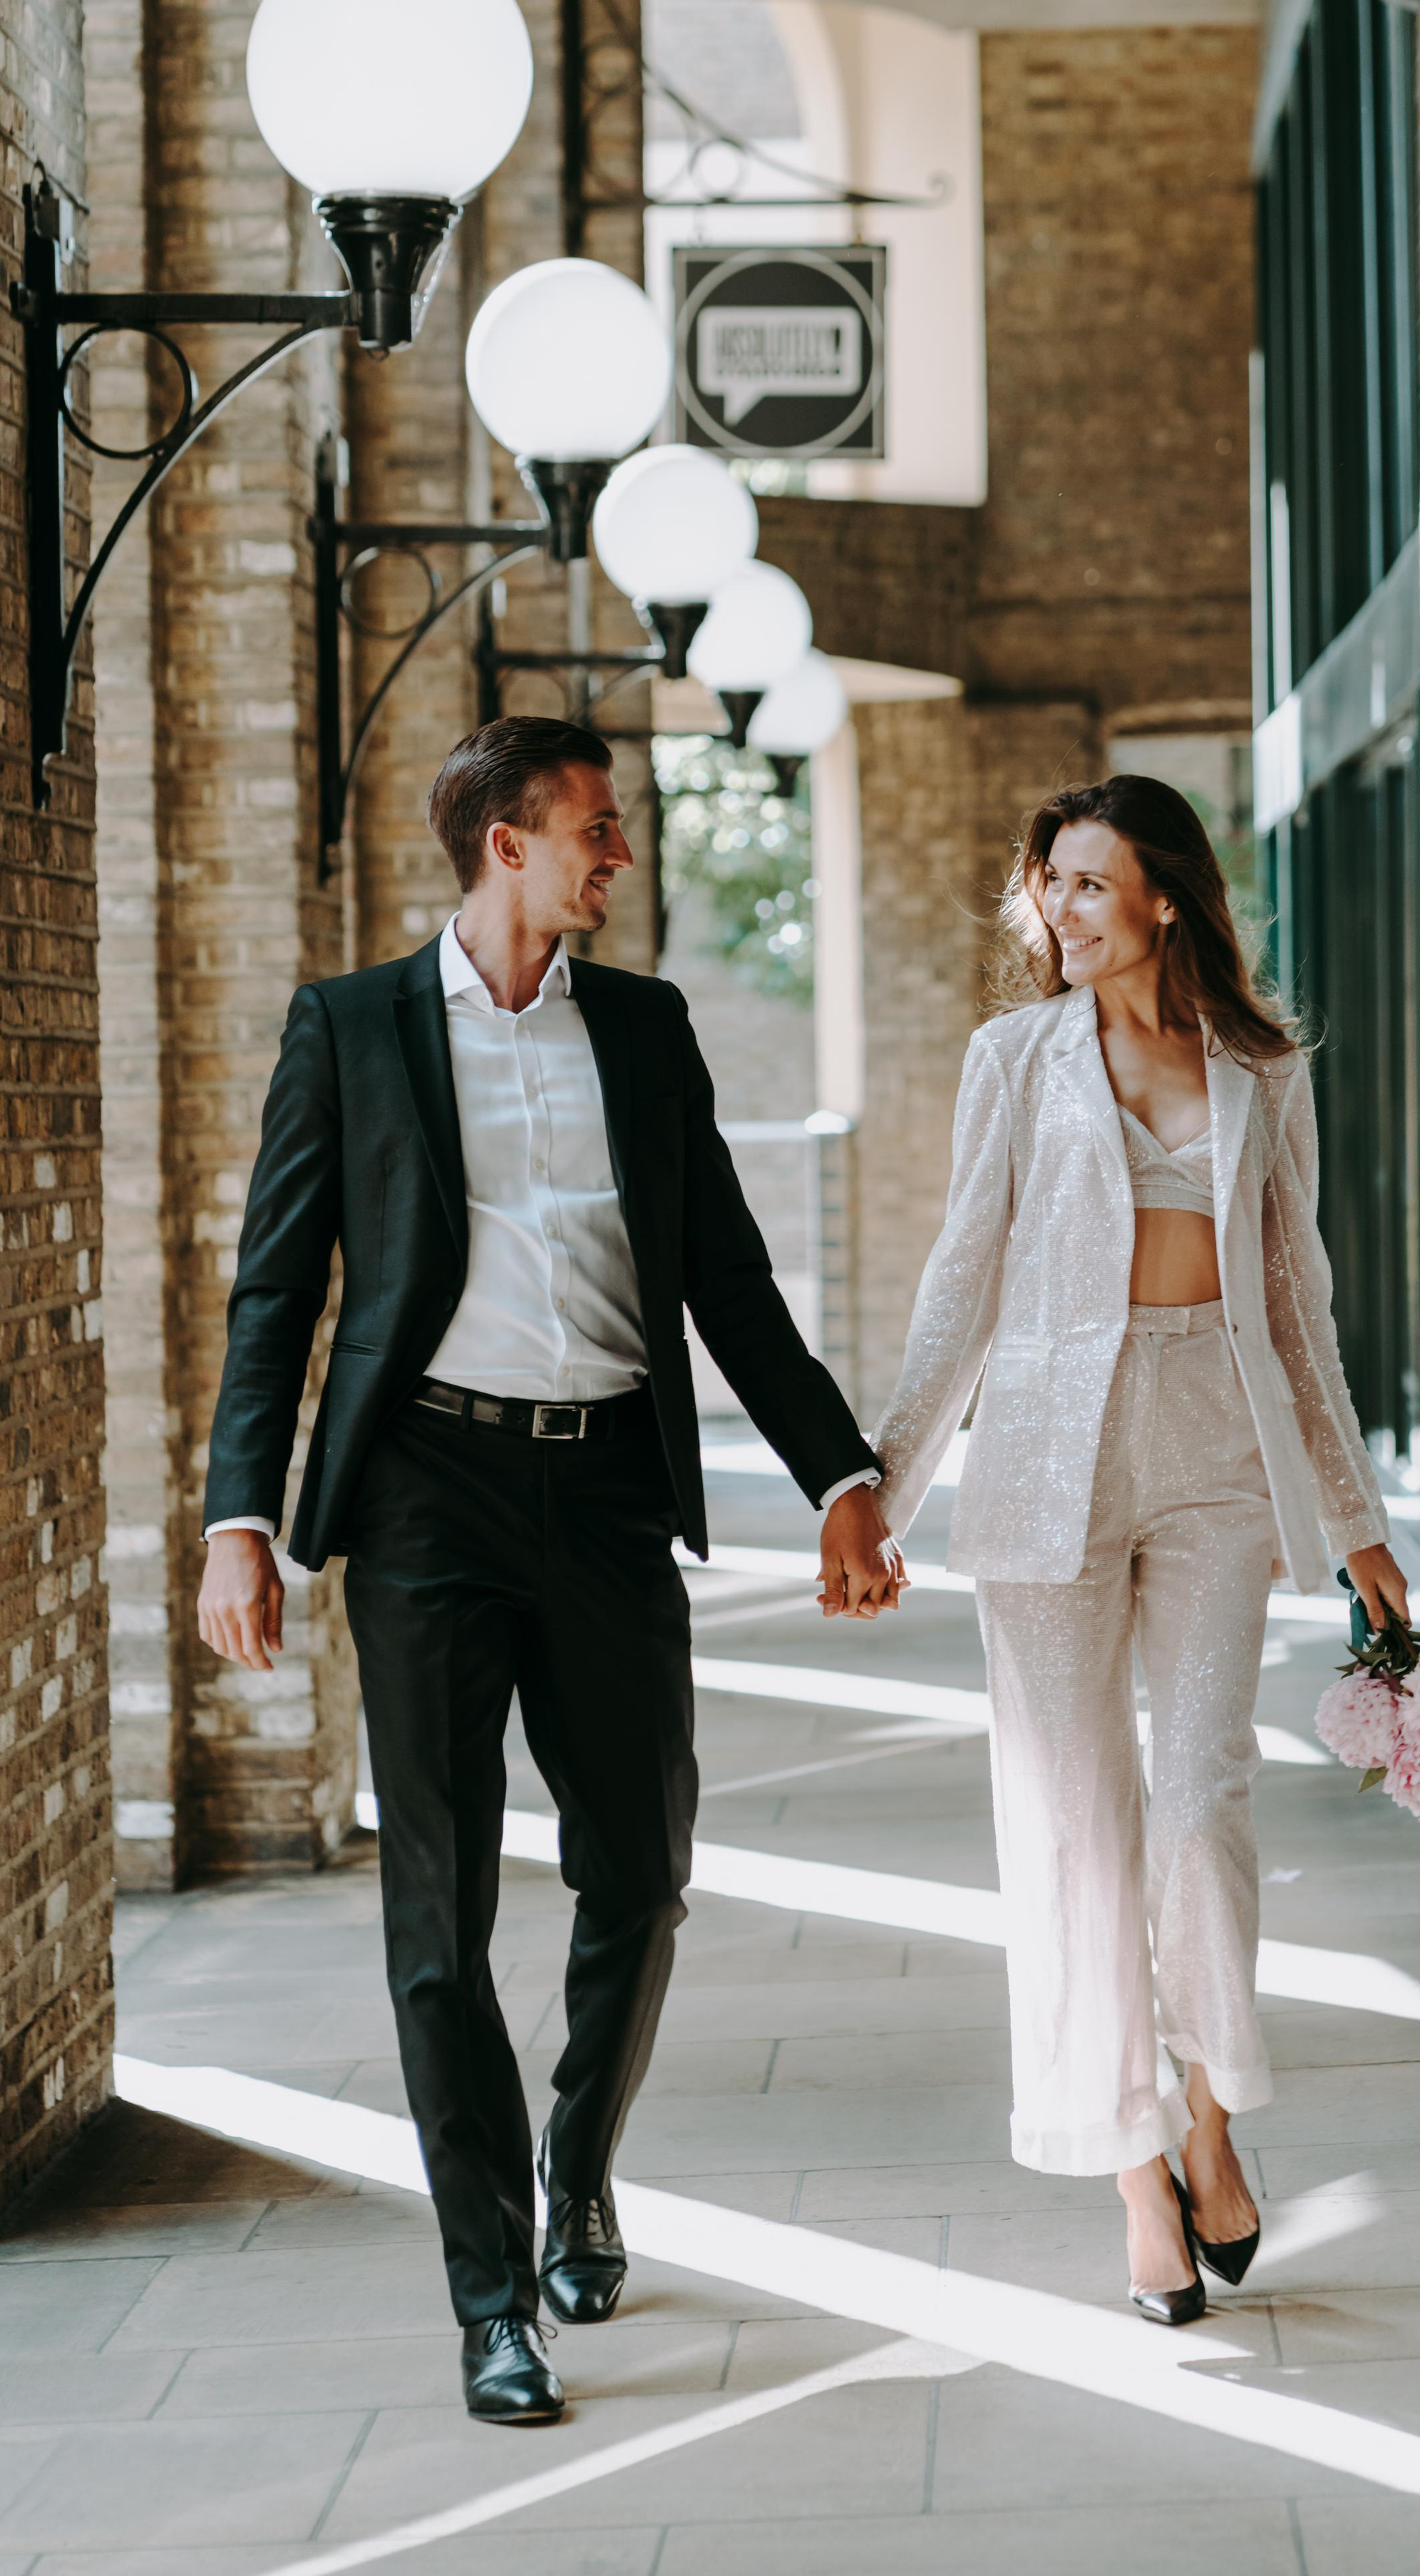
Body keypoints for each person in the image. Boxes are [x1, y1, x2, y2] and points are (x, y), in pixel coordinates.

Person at [196, 717, 901, 2423]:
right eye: (595, 827)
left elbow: (728, 1276)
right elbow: (276, 1285)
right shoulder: (353, 1025)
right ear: (504, 842)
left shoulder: (645, 1032)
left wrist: (843, 1474)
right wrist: (237, 1512)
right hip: (426, 1493)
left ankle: (577, 2156)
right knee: (435, 1917)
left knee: (641, 1863)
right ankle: (490, 2291)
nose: (618, 853)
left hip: (601, 1495)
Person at [867, 774, 1407, 2323]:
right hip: (1048, 1456)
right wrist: (878, 1496)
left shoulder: (1257, 1066)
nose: (1063, 907)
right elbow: (959, 1275)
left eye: (1093, 882)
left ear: (1164, 894)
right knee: (1069, 1829)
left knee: (1195, 1804)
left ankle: (1214, 2113)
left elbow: (1295, 1302)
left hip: (1216, 1451)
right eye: (1050, 883)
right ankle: (1128, 2173)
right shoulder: (1012, 1058)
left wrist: (1358, 1521)